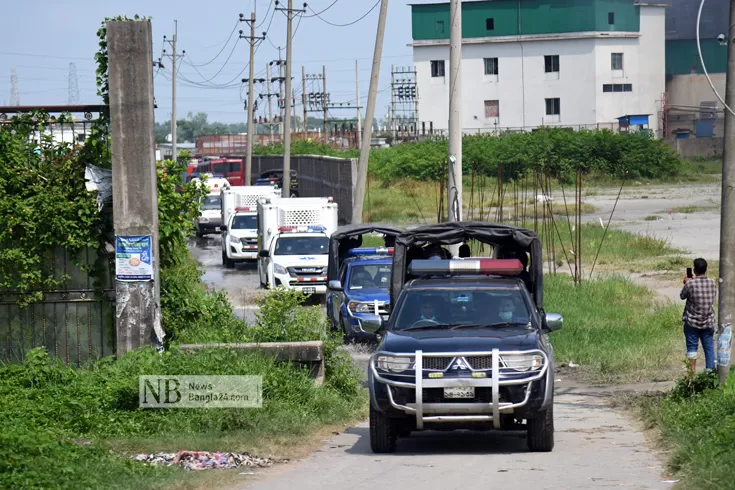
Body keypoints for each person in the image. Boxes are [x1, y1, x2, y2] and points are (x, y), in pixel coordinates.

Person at [680, 258, 718, 372]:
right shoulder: (712, 283)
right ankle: (710, 374)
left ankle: (692, 376)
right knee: (709, 348)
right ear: (706, 269)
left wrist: (686, 283)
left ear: (695, 270)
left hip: (692, 322)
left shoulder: (690, 284)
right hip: (708, 322)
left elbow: (682, 296)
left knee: (692, 348)